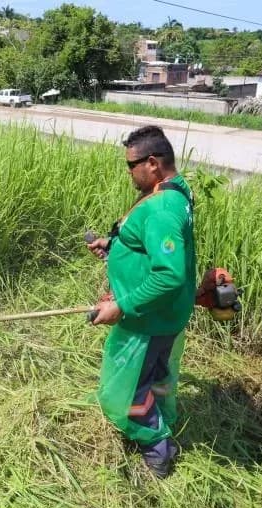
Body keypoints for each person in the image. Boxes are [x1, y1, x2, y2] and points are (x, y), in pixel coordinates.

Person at [87, 125, 196, 478]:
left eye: (130, 165)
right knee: (158, 378)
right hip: (165, 316)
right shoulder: (174, 190)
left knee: (124, 394)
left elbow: (168, 274)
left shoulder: (163, 207)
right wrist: (115, 244)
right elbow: (152, 244)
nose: (128, 173)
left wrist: (120, 306)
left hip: (147, 320)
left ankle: (158, 447)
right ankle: (159, 418)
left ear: (152, 163)